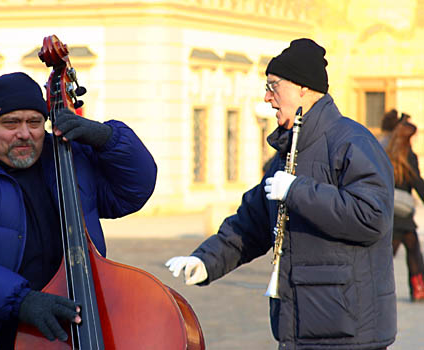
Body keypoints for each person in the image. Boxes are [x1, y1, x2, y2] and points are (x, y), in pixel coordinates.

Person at [166, 38, 396, 350]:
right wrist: (205, 261)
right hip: (299, 329)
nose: (267, 98)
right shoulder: (289, 151)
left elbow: (371, 218)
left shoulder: (352, 141)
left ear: (303, 88)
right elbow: (251, 223)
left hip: (348, 333)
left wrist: (298, 191)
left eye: (274, 86)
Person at [0, 72, 157, 349]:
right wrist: (20, 300)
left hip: (64, 326)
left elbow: (132, 191)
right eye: (11, 123)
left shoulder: (65, 157)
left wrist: (109, 139)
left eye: (35, 122)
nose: (25, 133)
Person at [385, 113, 424, 301]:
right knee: (413, 251)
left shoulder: (388, 153)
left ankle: (379, 285)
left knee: (392, 250)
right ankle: (418, 287)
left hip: (390, 210)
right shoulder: (408, 156)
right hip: (403, 211)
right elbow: (417, 182)